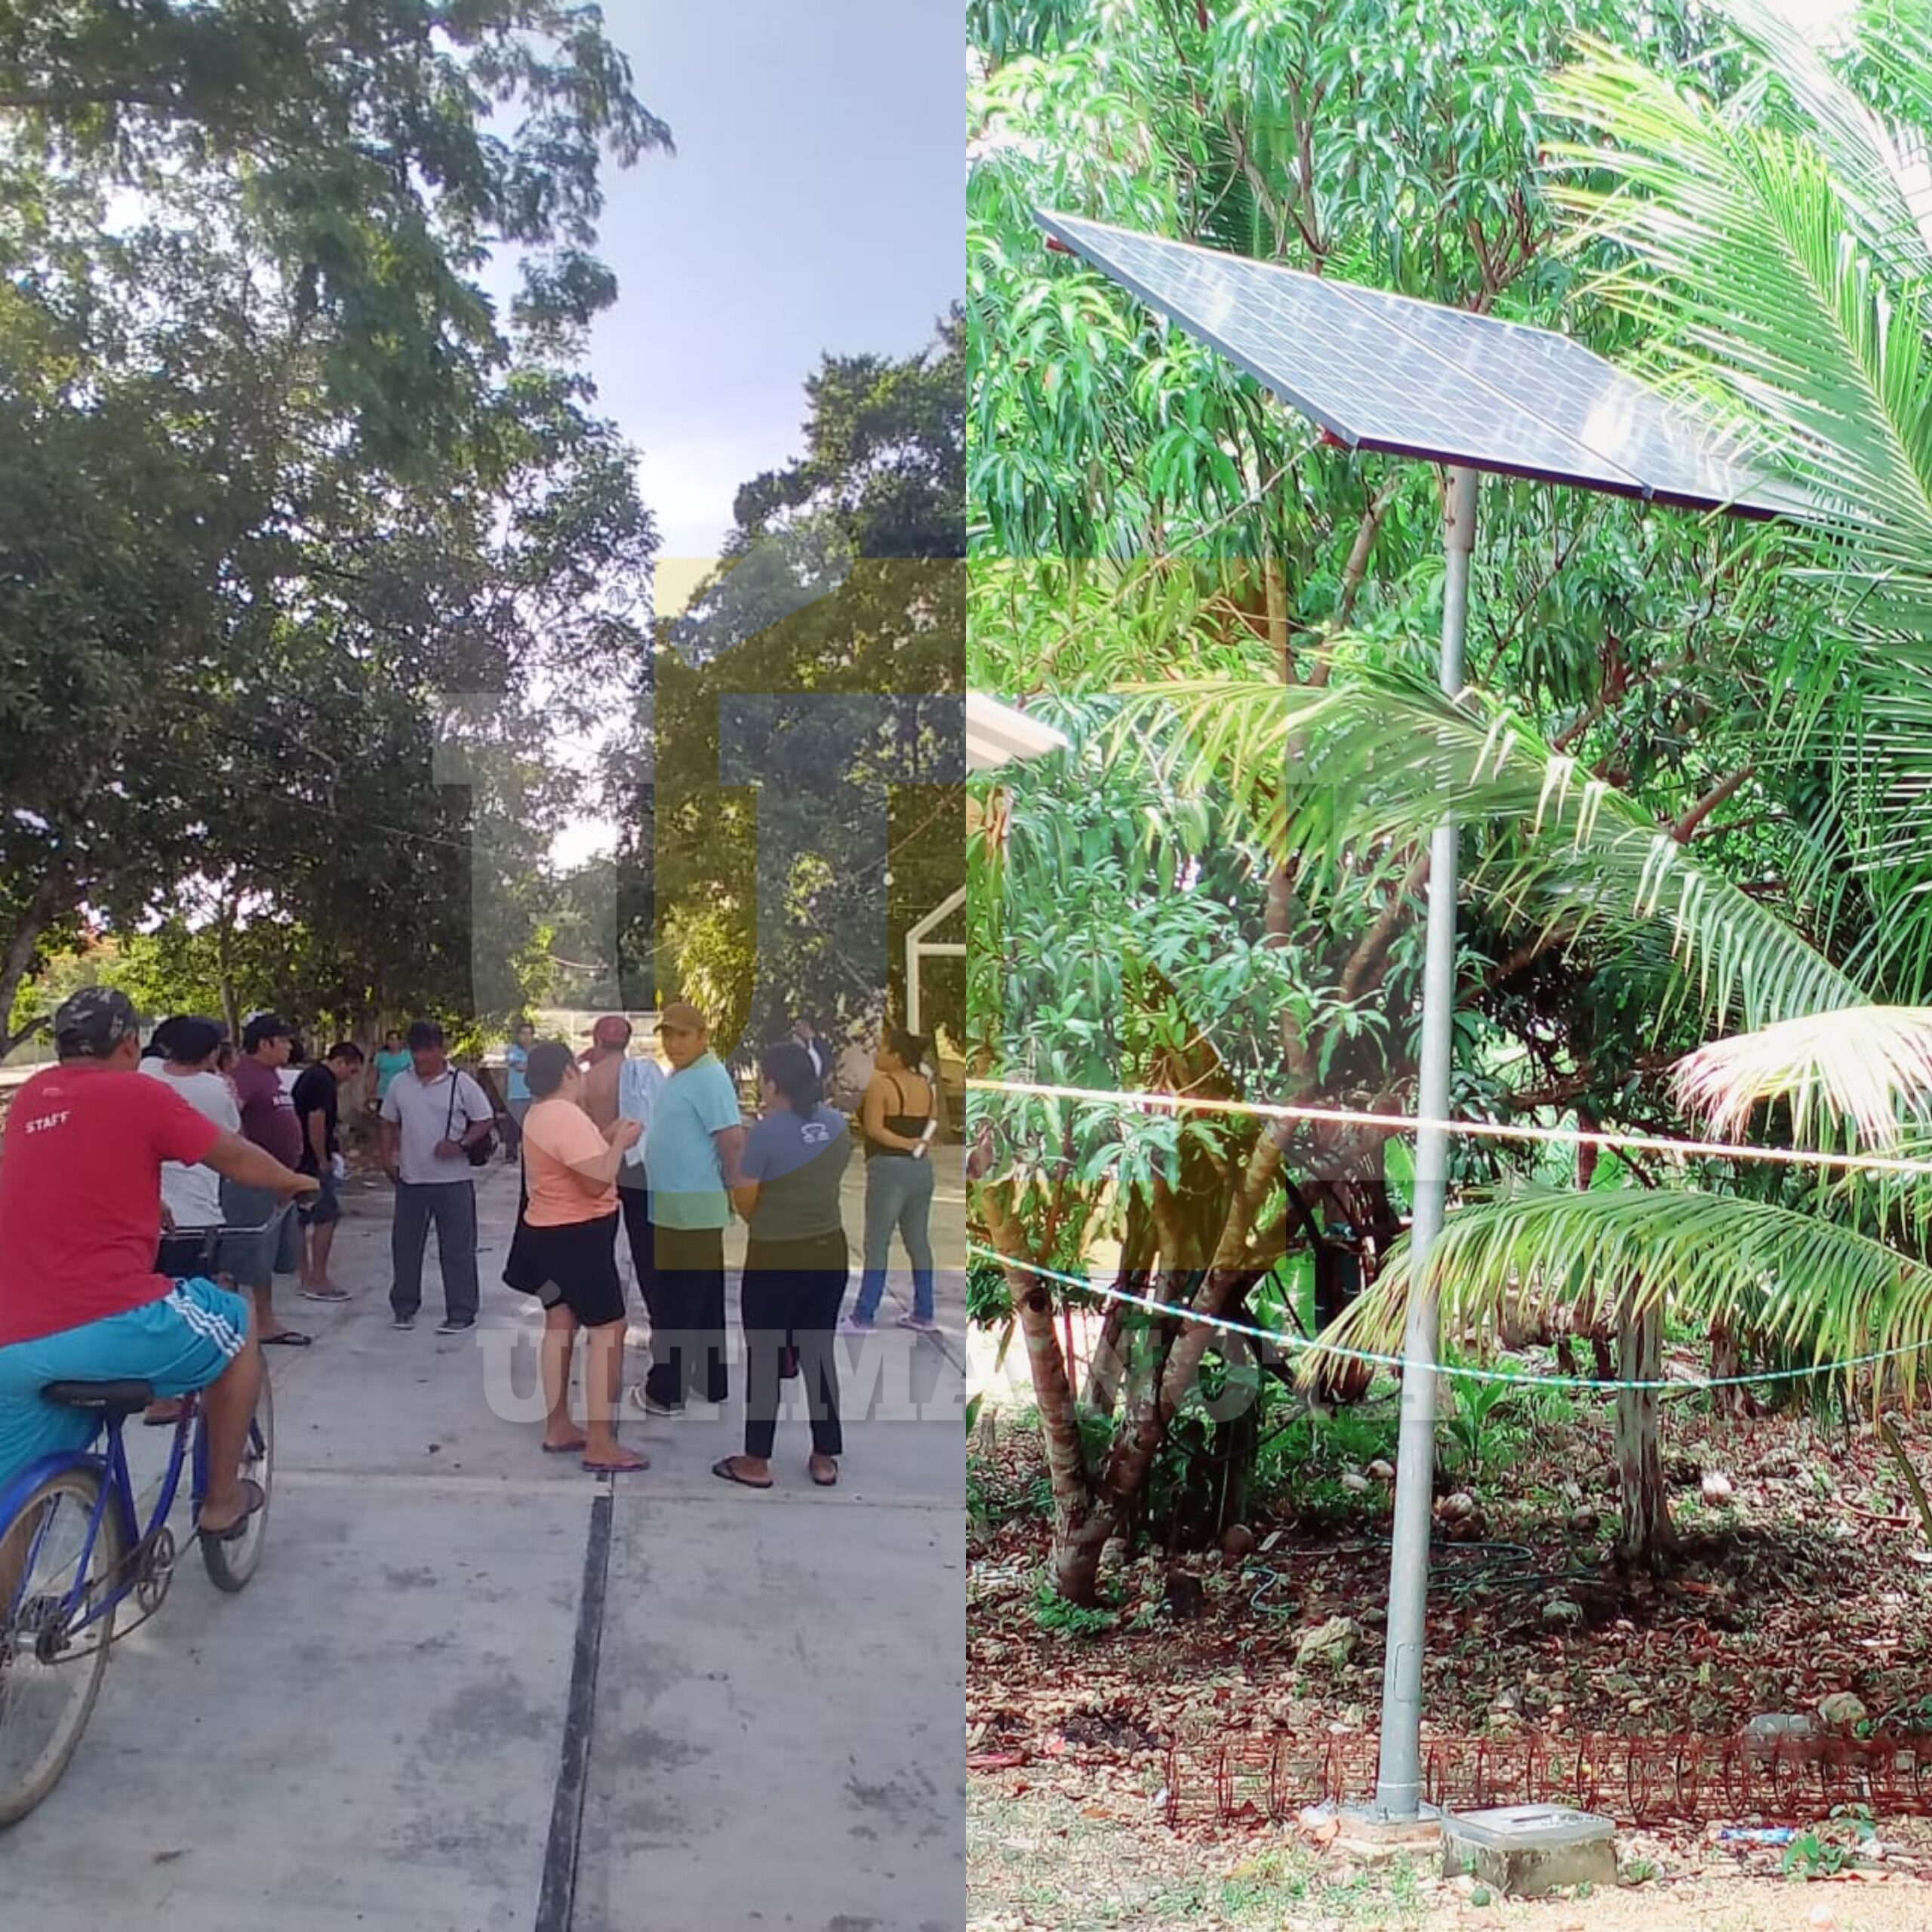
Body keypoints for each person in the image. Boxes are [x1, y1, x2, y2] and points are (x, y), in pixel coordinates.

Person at [0, 989, 317, 1533]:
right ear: (130, 1044)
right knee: (238, 1325)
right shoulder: (138, 1093)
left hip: (14, 1339)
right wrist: (293, 1180)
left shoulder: (32, 1096)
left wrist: (149, 1202)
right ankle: (221, 1503)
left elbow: (68, 1175)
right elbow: (234, 1156)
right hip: (108, 1321)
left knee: (14, 1508)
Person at [505, 1041, 648, 1473]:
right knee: (608, 1329)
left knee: (560, 1323)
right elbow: (595, 1181)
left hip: (546, 1236)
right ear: (568, 1071)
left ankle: (559, 1426)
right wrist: (621, 1143)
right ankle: (600, 1443)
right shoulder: (563, 1115)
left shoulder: (541, 1113)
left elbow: (575, 1162)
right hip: (576, 1238)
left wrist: (606, 1137)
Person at [714, 1041, 851, 1491]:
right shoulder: (837, 1124)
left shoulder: (766, 1133)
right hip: (829, 1251)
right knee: (818, 1353)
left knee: (766, 1356)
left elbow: (746, 1200)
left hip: (776, 1257)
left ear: (773, 1084)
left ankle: (756, 1460)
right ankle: (825, 1456)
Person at [627, 1001, 742, 1417]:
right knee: (703, 1299)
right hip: (677, 1205)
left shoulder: (709, 1077)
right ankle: (710, 1381)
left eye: (683, 1035)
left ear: (703, 1036)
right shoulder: (685, 1073)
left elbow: (731, 1139)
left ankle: (666, 1391)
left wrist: (735, 1187)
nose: (674, 1043)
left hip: (691, 1207)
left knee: (677, 1302)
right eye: (668, 1035)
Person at [380, 1020, 494, 1334]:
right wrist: (387, 1158)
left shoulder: (462, 1083)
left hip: (453, 1181)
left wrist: (461, 1144)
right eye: (416, 1051)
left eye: (428, 1051)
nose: (422, 1058)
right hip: (411, 1180)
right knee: (405, 1247)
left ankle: (461, 1311)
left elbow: (484, 1119)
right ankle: (404, 1306)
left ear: (441, 1050)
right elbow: (388, 1121)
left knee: (457, 1249)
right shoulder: (400, 1084)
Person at [843, 1028, 939, 1334]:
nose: (878, 1054)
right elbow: (932, 1123)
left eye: (883, 1049)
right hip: (921, 1170)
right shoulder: (926, 1086)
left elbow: (874, 1129)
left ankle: (864, 1314)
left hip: (888, 1169)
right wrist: (918, 1144)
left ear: (896, 1056)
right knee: (918, 1242)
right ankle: (924, 1311)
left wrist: (904, 1144)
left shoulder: (882, 1086)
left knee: (877, 1243)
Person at [226, 1012, 312, 1347]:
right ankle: (239, 1322)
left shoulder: (272, 1076)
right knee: (245, 1252)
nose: (290, 1047)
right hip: (252, 1180)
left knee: (270, 1254)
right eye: (284, 1041)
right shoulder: (245, 1076)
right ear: (265, 1043)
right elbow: (230, 1120)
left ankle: (265, 1319)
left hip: (280, 1179)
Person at [580, 1014, 666, 1344]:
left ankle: (601, 1320)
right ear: (627, 1042)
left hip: (603, 1166)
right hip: (639, 1168)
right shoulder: (643, 1076)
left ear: (597, 1041)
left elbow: (580, 1129)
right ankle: (660, 1320)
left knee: (599, 1250)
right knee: (647, 1249)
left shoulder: (588, 1081)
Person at [293, 1042, 364, 1303]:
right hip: (311, 1161)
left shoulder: (311, 1076)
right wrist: (322, 1159)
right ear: (341, 1062)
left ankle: (306, 1277)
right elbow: (316, 1121)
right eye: (352, 1071)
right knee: (326, 1216)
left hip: (299, 1159)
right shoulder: (322, 1081)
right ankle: (318, 1279)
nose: (351, 1078)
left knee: (301, 1219)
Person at [503, 1020, 535, 1162]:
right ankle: (511, 1154)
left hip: (532, 1094)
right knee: (513, 1127)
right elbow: (519, 1067)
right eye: (523, 1034)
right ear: (518, 1035)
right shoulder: (513, 1050)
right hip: (515, 1095)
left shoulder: (535, 1051)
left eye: (529, 1034)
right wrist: (534, 1064)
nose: (526, 1037)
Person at [370, 1029, 411, 1115]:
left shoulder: (407, 1055)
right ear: (387, 1041)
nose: (394, 1042)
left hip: (402, 1093)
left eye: (396, 1039)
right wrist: (372, 1090)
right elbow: (374, 1074)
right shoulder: (380, 1056)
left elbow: (413, 1073)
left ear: (400, 1041)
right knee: (383, 1118)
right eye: (391, 1039)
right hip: (383, 1093)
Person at [790, 1017, 832, 1086]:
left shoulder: (819, 1042)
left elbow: (823, 1060)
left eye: (799, 1027)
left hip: (822, 1079)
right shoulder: (805, 1044)